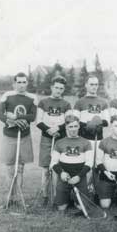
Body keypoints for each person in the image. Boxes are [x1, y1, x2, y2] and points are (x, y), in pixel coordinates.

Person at [0, 72, 37, 206]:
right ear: (14, 83)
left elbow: (32, 117)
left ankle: (19, 199)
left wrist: (18, 118)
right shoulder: (7, 95)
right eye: (18, 82)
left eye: (24, 82)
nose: (21, 85)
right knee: (9, 168)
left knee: (20, 168)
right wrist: (11, 121)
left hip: (24, 136)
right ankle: (10, 199)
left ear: (27, 83)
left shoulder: (32, 97)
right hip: (9, 135)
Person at [37, 75, 71, 206]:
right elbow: (38, 121)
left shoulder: (66, 104)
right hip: (46, 138)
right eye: (56, 87)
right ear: (52, 87)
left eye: (61, 88)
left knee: (58, 168)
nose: (58, 90)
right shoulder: (43, 102)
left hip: (60, 139)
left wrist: (57, 128)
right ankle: (45, 196)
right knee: (46, 168)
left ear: (63, 89)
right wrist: (48, 130)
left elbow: (67, 121)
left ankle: (58, 196)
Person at [50, 115, 93, 212]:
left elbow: (89, 163)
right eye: (70, 127)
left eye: (75, 126)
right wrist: (61, 173)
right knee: (61, 208)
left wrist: (79, 176)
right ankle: (67, 197)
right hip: (65, 176)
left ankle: (76, 199)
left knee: (82, 207)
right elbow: (53, 163)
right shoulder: (59, 143)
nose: (73, 129)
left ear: (79, 127)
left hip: (80, 176)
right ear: (66, 127)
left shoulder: (86, 142)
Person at [73, 75, 110, 188]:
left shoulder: (103, 102)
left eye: (96, 84)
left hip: (98, 138)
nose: (94, 87)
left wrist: (97, 123)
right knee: (85, 164)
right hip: (84, 137)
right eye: (91, 84)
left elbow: (107, 121)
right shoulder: (79, 102)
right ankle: (83, 188)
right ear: (86, 85)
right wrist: (88, 125)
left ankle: (94, 189)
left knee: (97, 164)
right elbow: (75, 120)